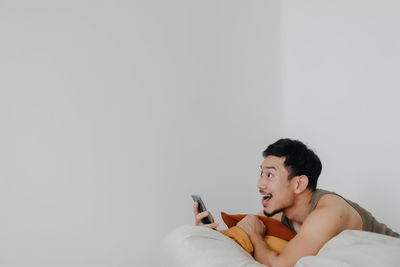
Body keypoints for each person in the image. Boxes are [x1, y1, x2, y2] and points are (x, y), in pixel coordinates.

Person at [193, 138, 400, 267]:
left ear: (299, 183)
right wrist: (209, 234)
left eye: (270, 175)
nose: (260, 184)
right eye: (261, 174)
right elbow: (244, 235)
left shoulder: (329, 212)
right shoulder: (279, 215)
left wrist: (255, 236)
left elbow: (281, 265)